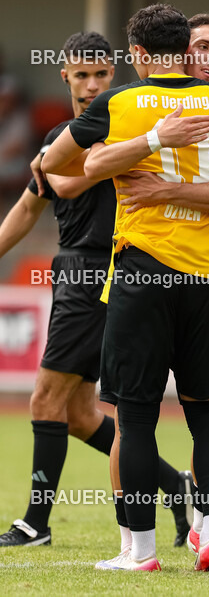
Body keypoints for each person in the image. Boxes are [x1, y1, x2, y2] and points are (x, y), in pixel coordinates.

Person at [42, 3, 209, 572]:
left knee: (135, 420)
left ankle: (142, 552)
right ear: (187, 51)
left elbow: (58, 165)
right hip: (207, 282)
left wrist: (139, 146)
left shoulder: (118, 103)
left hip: (141, 275)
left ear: (134, 55)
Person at [0, 31, 191, 549]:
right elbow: (28, 205)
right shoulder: (67, 134)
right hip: (75, 271)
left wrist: (52, 162)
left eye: (101, 74)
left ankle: (34, 524)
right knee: (82, 414)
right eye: (81, 75)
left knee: (45, 398)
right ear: (64, 76)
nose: (90, 85)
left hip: (100, 270)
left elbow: (64, 178)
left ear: (116, 75)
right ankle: (176, 486)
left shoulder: (123, 125)